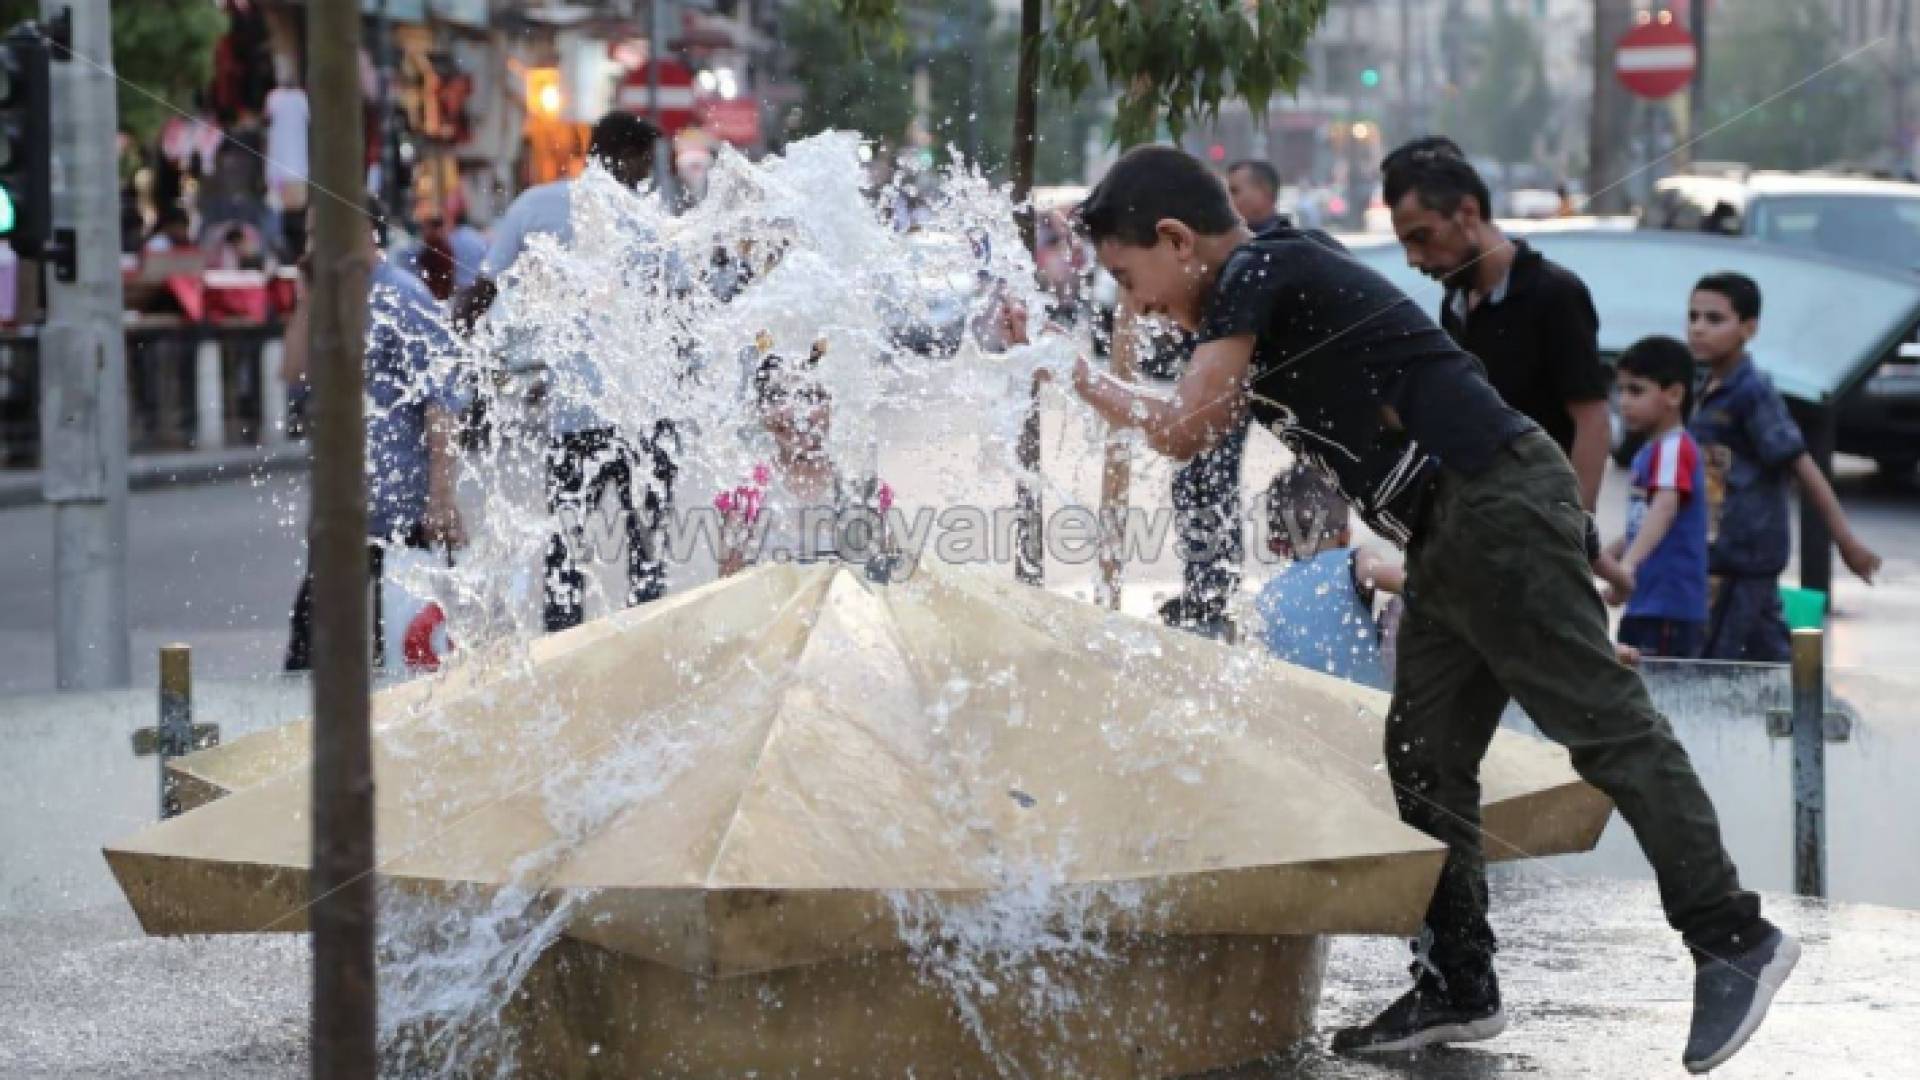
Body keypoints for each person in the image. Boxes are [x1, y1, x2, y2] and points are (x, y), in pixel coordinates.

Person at [1063, 146, 1793, 1073]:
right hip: (1447, 528)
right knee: (1423, 756)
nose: (1136, 305)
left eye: (1132, 278)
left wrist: (1075, 375)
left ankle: (1733, 937)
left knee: (1606, 729)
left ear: (1175, 238)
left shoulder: (1257, 266)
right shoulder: (1271, 272)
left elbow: (1187, 426)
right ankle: (1459, 982)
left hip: (1489, 501)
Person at [451, 112, 677, 632]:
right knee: (646, 553)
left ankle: (563, 648)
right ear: (619, 156)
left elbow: (482, 294)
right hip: (645, 415)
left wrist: (462, 350)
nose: (646, 173)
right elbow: (682, 303)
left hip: (578, 418)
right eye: (643, 160)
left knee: (565, 551)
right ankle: (647, 648)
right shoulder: (649, 222)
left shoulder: (535, 206)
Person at [1381, 138, 1630, 599]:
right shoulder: (1454, 303)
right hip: (1478, 532)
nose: (1414, 260)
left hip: (1541, 537)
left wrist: (1571, 532)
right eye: (1404, 243)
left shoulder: (1553, 294)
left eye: (1422, 237)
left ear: (1468, 213)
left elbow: (1591, 421)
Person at [285, 207, 464, 671]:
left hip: (401, 506)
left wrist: (441, 496)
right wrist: (307, 297)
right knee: (310, 651)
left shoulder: (401, 297)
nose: (312, 243)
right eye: (308, 234)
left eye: (320, 230)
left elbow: (441, 401)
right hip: (343, 507)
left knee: (403, 653)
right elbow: (292, 373)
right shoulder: (329, 300)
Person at [1686, 273, 1881, 662]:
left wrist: (1846, 541)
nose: (1698, 329)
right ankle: (1823, 716)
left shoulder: (1752, 392)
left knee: (1725, 663)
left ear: (1748, 328)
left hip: (1747, 555)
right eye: (1692, 317)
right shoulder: (1705, 387)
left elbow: (1803, 467)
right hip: (1717, 553)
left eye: (1714, 319)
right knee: (1766, 656)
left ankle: (1826, 717)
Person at [715, 349, 893, 577]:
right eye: (778, 397)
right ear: (760, 412)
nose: (796, 412)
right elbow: (728, 591)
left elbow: (885, 583)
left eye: (811, 396)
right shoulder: (747, 494)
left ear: (831, 405)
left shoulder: (860, 490)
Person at [1254, 463, 1403, 691]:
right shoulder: (1354, 561)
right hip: (1361, 706)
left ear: (1276, 546)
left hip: (1290, 707)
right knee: (1405, 602)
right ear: (1345, 536)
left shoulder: (1267, 595)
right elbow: (1406, 581)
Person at [1606, 336, 1710, 659]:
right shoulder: (1650, 451)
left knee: (1659, 694)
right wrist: (1605, 557)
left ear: (1674, 394)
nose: (1623, 401)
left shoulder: (1674, 447)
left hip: (1669, 606)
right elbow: (1643, 522)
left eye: (1636, 390)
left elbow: (1664, 509)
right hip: (1648, 602)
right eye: (1620, 390)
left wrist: (1626, 567)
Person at [1225, 159, 1284, 233]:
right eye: (1225, 193)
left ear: (1264, 192)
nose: (1227, 200)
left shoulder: (1292, 242)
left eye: (1234, 192)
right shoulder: (1227, 239)